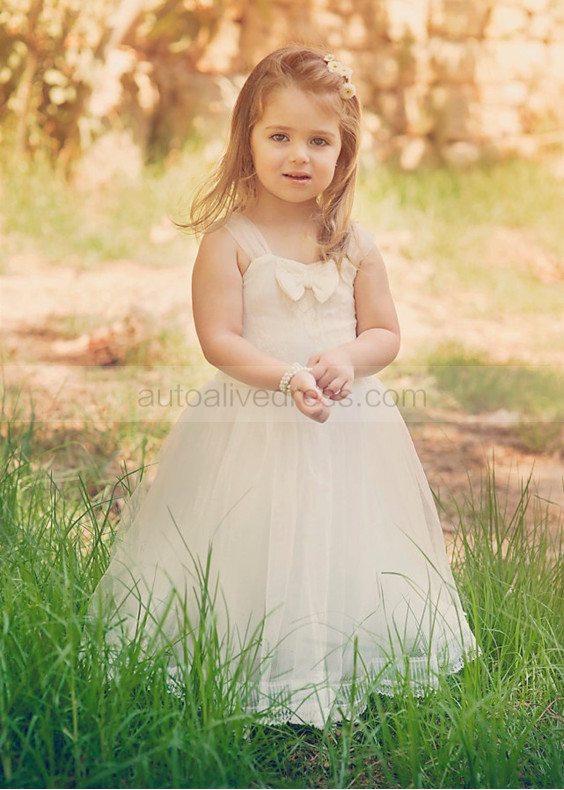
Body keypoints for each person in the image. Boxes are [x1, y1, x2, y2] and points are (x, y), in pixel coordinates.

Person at [91, 45, 478, 727]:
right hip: (254, 422)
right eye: (280, 137)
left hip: (347, 427)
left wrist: (350, 359)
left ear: (343, 150)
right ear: (248, 139)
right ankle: (256, 659)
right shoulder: (230, 239)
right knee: (248, 539)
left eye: (318, 140)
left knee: (350, 538)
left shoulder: (352, 241)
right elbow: (220, 340)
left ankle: (344, 655)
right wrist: (287, 375)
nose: (299, 155)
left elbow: (386, 332)